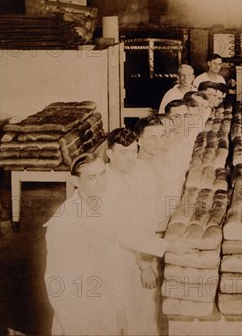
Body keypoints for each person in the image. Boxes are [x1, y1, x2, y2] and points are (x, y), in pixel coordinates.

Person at [104, 128, 195, 335]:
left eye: (133, 151)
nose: (130, 159)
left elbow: (150, 215)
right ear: (110, 154)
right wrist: (144, 264)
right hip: (122, 257)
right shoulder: (106, 183)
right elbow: (123, 232)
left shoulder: (142, 171)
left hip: (147, 246)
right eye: (123, 153)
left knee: (145, 313)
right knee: (124, 312)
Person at [44, 153, 122, 335]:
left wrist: (119, 309)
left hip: (105, 307)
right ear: (75, 181)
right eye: (91, 177)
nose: (101, 182)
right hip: (78, 312)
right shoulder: (64, 221)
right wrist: (76, 326)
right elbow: (57, 282)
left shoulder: (104, 206)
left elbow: (115, 265)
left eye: (103, 174)